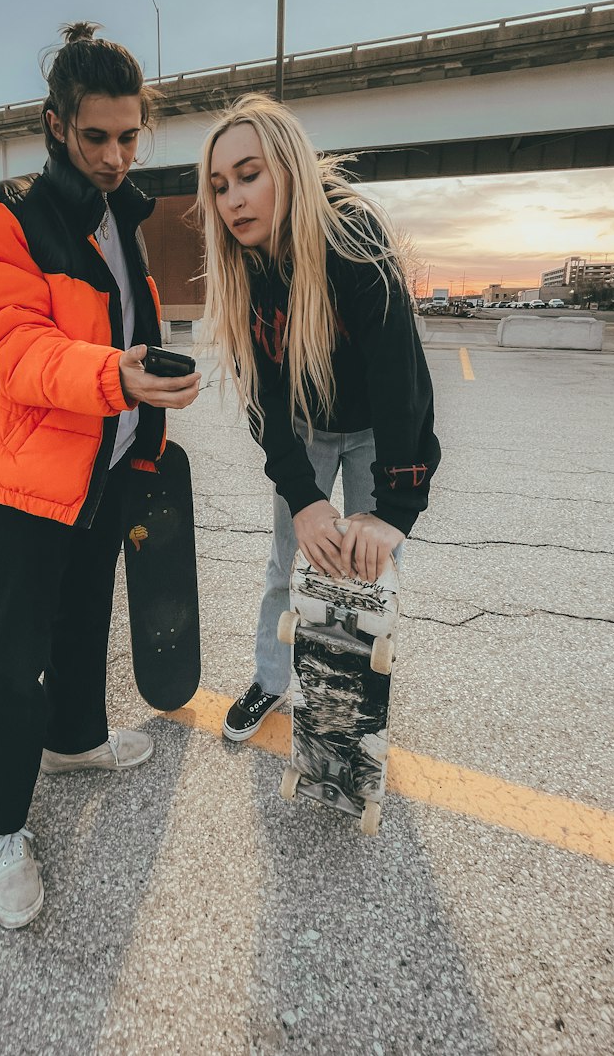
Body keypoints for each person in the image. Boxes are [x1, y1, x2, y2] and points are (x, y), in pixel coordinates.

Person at [0, 22, 200, 928]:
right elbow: (14, 350)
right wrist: (116, 378)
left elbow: (124, 329)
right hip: (28, 475)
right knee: (14, 657)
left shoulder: (126, 215)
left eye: (129, 135)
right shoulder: (3, 217)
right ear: (56, 123)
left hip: (105, 462)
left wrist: (151, 407)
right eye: (95, 136)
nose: (114, 153)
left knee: (86, 617)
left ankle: (75, 739)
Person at [195, 93, 440, 743]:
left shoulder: (350, 233)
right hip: (305, 429)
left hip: (372, 431)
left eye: (249, 174)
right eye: (220, 186)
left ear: (289, 166)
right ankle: (271, 681)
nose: (233, 199)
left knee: (369, 567)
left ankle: (360, 694)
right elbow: (263, 401)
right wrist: (304, 498)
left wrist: (394, 507)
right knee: (287, 562)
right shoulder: (245, 264)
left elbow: (400, 376)